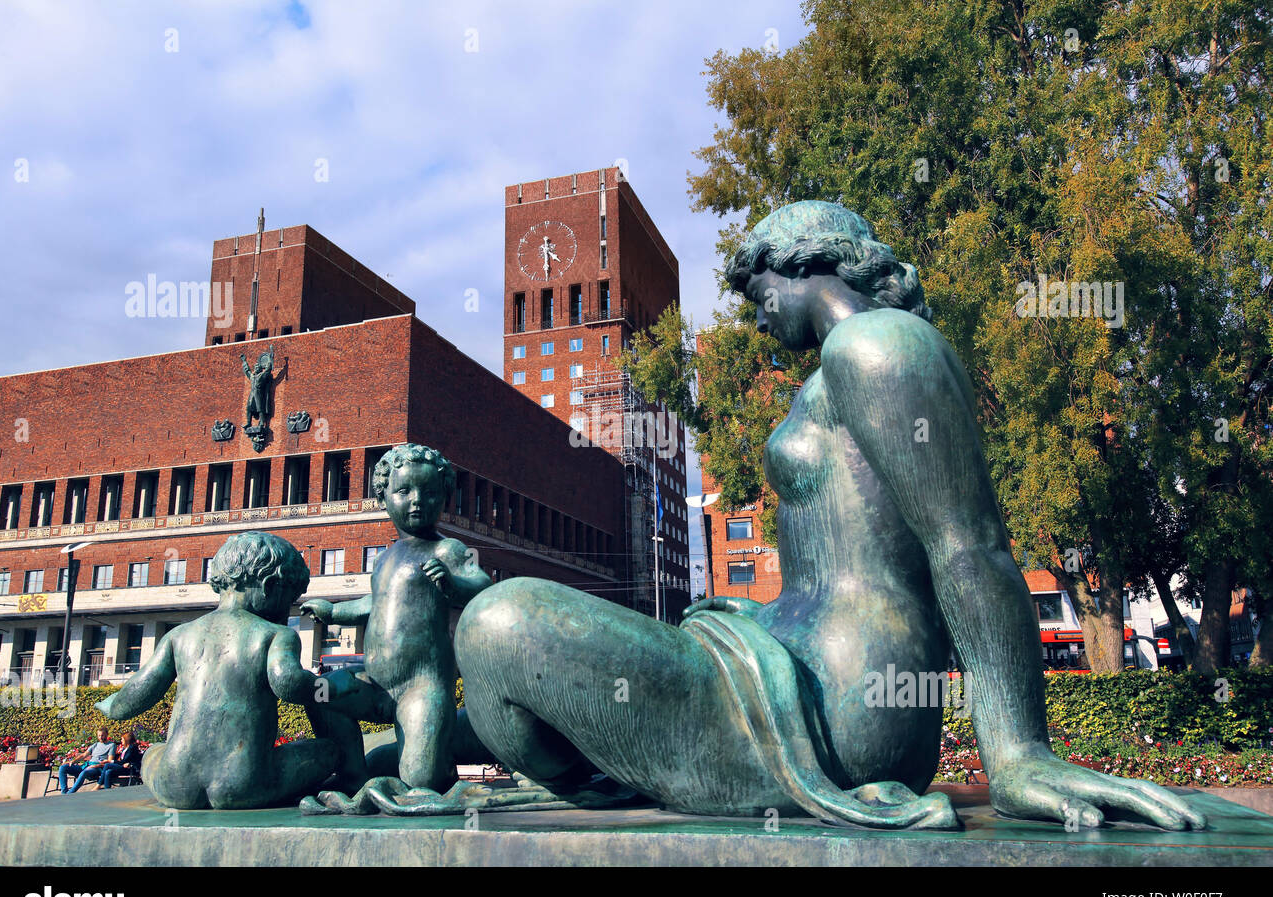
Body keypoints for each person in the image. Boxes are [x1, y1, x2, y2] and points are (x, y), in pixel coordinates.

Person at [419, 199, 1205, 832]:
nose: (758, 318)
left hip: (841, 708)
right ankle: (533, 772)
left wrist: (1018, 751)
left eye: (761, 293)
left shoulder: (876, 345)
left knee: (500, 621)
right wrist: (757, 613)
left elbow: (969, 548)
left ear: (805, 266)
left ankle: (591, 777)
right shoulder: (844, 367)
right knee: (500, 649)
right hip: (790, 668)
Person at [300, 444, 491, 809]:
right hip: (374, 683)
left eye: (430, 493)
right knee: (321, 691)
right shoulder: (384, 557)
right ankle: (354, 775)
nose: (417, 501)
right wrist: (333, 611)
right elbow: (372, 604)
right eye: (404, 492)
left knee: (421, 780)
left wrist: (454, 585)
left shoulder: (448, 549)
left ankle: (433, 762)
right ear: (384, 496)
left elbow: (482, 584)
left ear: (444, 498)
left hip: (423, 687)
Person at [96, 531, 338, 809]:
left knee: (153, 751)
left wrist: (111, 705)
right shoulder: (275, 635)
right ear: (270, 587)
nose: (288, 608)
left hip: (173, 786)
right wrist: (329, 688)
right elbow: (289, 684)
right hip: (247, 784)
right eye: (290, 599)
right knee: (329, 751)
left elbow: (139, 692)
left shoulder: (179, 635)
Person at [57, 728, 116, 794]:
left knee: (84, 772)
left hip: (97, 768)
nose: (100, 737)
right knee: (63, 767)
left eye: (102, 735)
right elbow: (84, 755)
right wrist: (73, 761)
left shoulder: (111, 745)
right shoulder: (95, 745)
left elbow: (109, 761)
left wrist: (96, 765)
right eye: (99, 735)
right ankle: (64, 792)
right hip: (86, 765)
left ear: (107, 734)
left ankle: (69, 794)